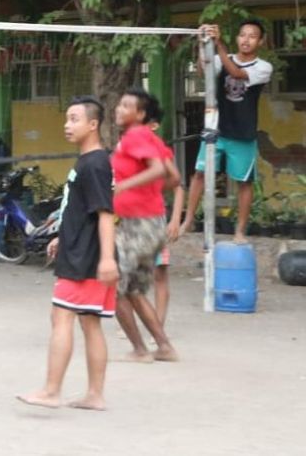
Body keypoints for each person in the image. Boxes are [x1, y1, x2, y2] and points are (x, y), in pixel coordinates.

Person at [17, 96, 117, 410]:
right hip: (78, 249)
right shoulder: (87, 161)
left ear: (93, 124)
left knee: (61, 316)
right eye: (67, 119)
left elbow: (105, 213)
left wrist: (107, 258)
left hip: (84, 257)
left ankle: (51, 391)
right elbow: (79, 209)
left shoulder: (95, 164)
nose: (67, 125)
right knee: (89, 322)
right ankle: (95, 395)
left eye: (74, 119)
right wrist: (62, 235)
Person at [182, 21, 273, 243]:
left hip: (243, 133)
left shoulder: (263, 67)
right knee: (200, 174)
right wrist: (202, 44)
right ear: (237, 38)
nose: (246, 40)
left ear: (260, 41)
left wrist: (219, 45)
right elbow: (203, 70)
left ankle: (240, 231)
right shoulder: (221, 57)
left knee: (244, 182)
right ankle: (189, 220)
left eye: (252, 36)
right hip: (216, 129)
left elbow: (237, 73)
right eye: (243, 35)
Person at [111, 88, 178, 363]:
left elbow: (159, 171)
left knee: (112, 286)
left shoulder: (135, 135)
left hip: (137, 224)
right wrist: (148, 192)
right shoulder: (150, 137)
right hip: (151, 222)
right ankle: (164, 347)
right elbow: (174, 177)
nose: (119, 108)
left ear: (140, 114)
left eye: (126, 106)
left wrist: (124, 187)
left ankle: (140, 350)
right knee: (134, 290)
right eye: (120, 104)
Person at [145, 106, 184, 327]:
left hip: (155, 223)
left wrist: (176, 219)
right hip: (129, 223)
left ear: (154, 126)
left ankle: (158, 325)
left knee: (159, 274)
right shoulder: (126, 150)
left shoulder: (160, 152)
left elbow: (178, 187)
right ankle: (132, 322)